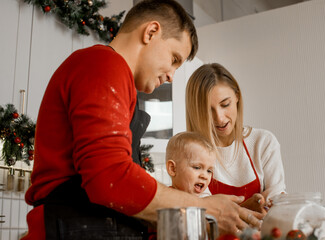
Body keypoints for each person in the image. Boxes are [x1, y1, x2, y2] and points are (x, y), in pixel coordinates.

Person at [22, 1, 262, 239]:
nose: (171, 75)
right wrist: (204, 209)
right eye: (174, 59)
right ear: (151, 32)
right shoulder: (103, 64)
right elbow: (110, 178)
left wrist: (226, 213)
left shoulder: (117, 78)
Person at [186, 63, 286, 214]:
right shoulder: (191, 152)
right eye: (208, 110)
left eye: (225, 104)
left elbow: (277, 200)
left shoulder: (263, 142)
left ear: (237, 96)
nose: (219, 118)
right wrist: (247, 208)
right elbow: (202, 214)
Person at [165, 131, 215, 197]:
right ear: (173, 169)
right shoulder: (167, 199)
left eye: (209, 171)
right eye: (197, 167)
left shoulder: (204, 200)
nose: (205, 176)